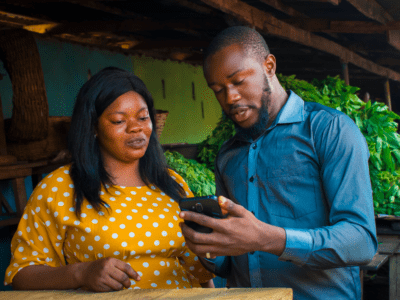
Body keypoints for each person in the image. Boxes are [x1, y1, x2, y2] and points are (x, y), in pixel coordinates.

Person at [179, 26, 377, 299]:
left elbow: (361, 241)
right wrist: (207, 247)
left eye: (238, 82)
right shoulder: (228, 155)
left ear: (269, 66)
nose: (230, 98)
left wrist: (267, 238)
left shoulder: (328, 131)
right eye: (218, 90)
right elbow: (227, 264)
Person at [4, 67, 215, 291]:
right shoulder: (60, 187)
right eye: (118, 121)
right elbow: (22, 273)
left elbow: (199, 270)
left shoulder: (172, 183)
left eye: (143, 118)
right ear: (93, 126)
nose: (136, 128)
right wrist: (82, 273)